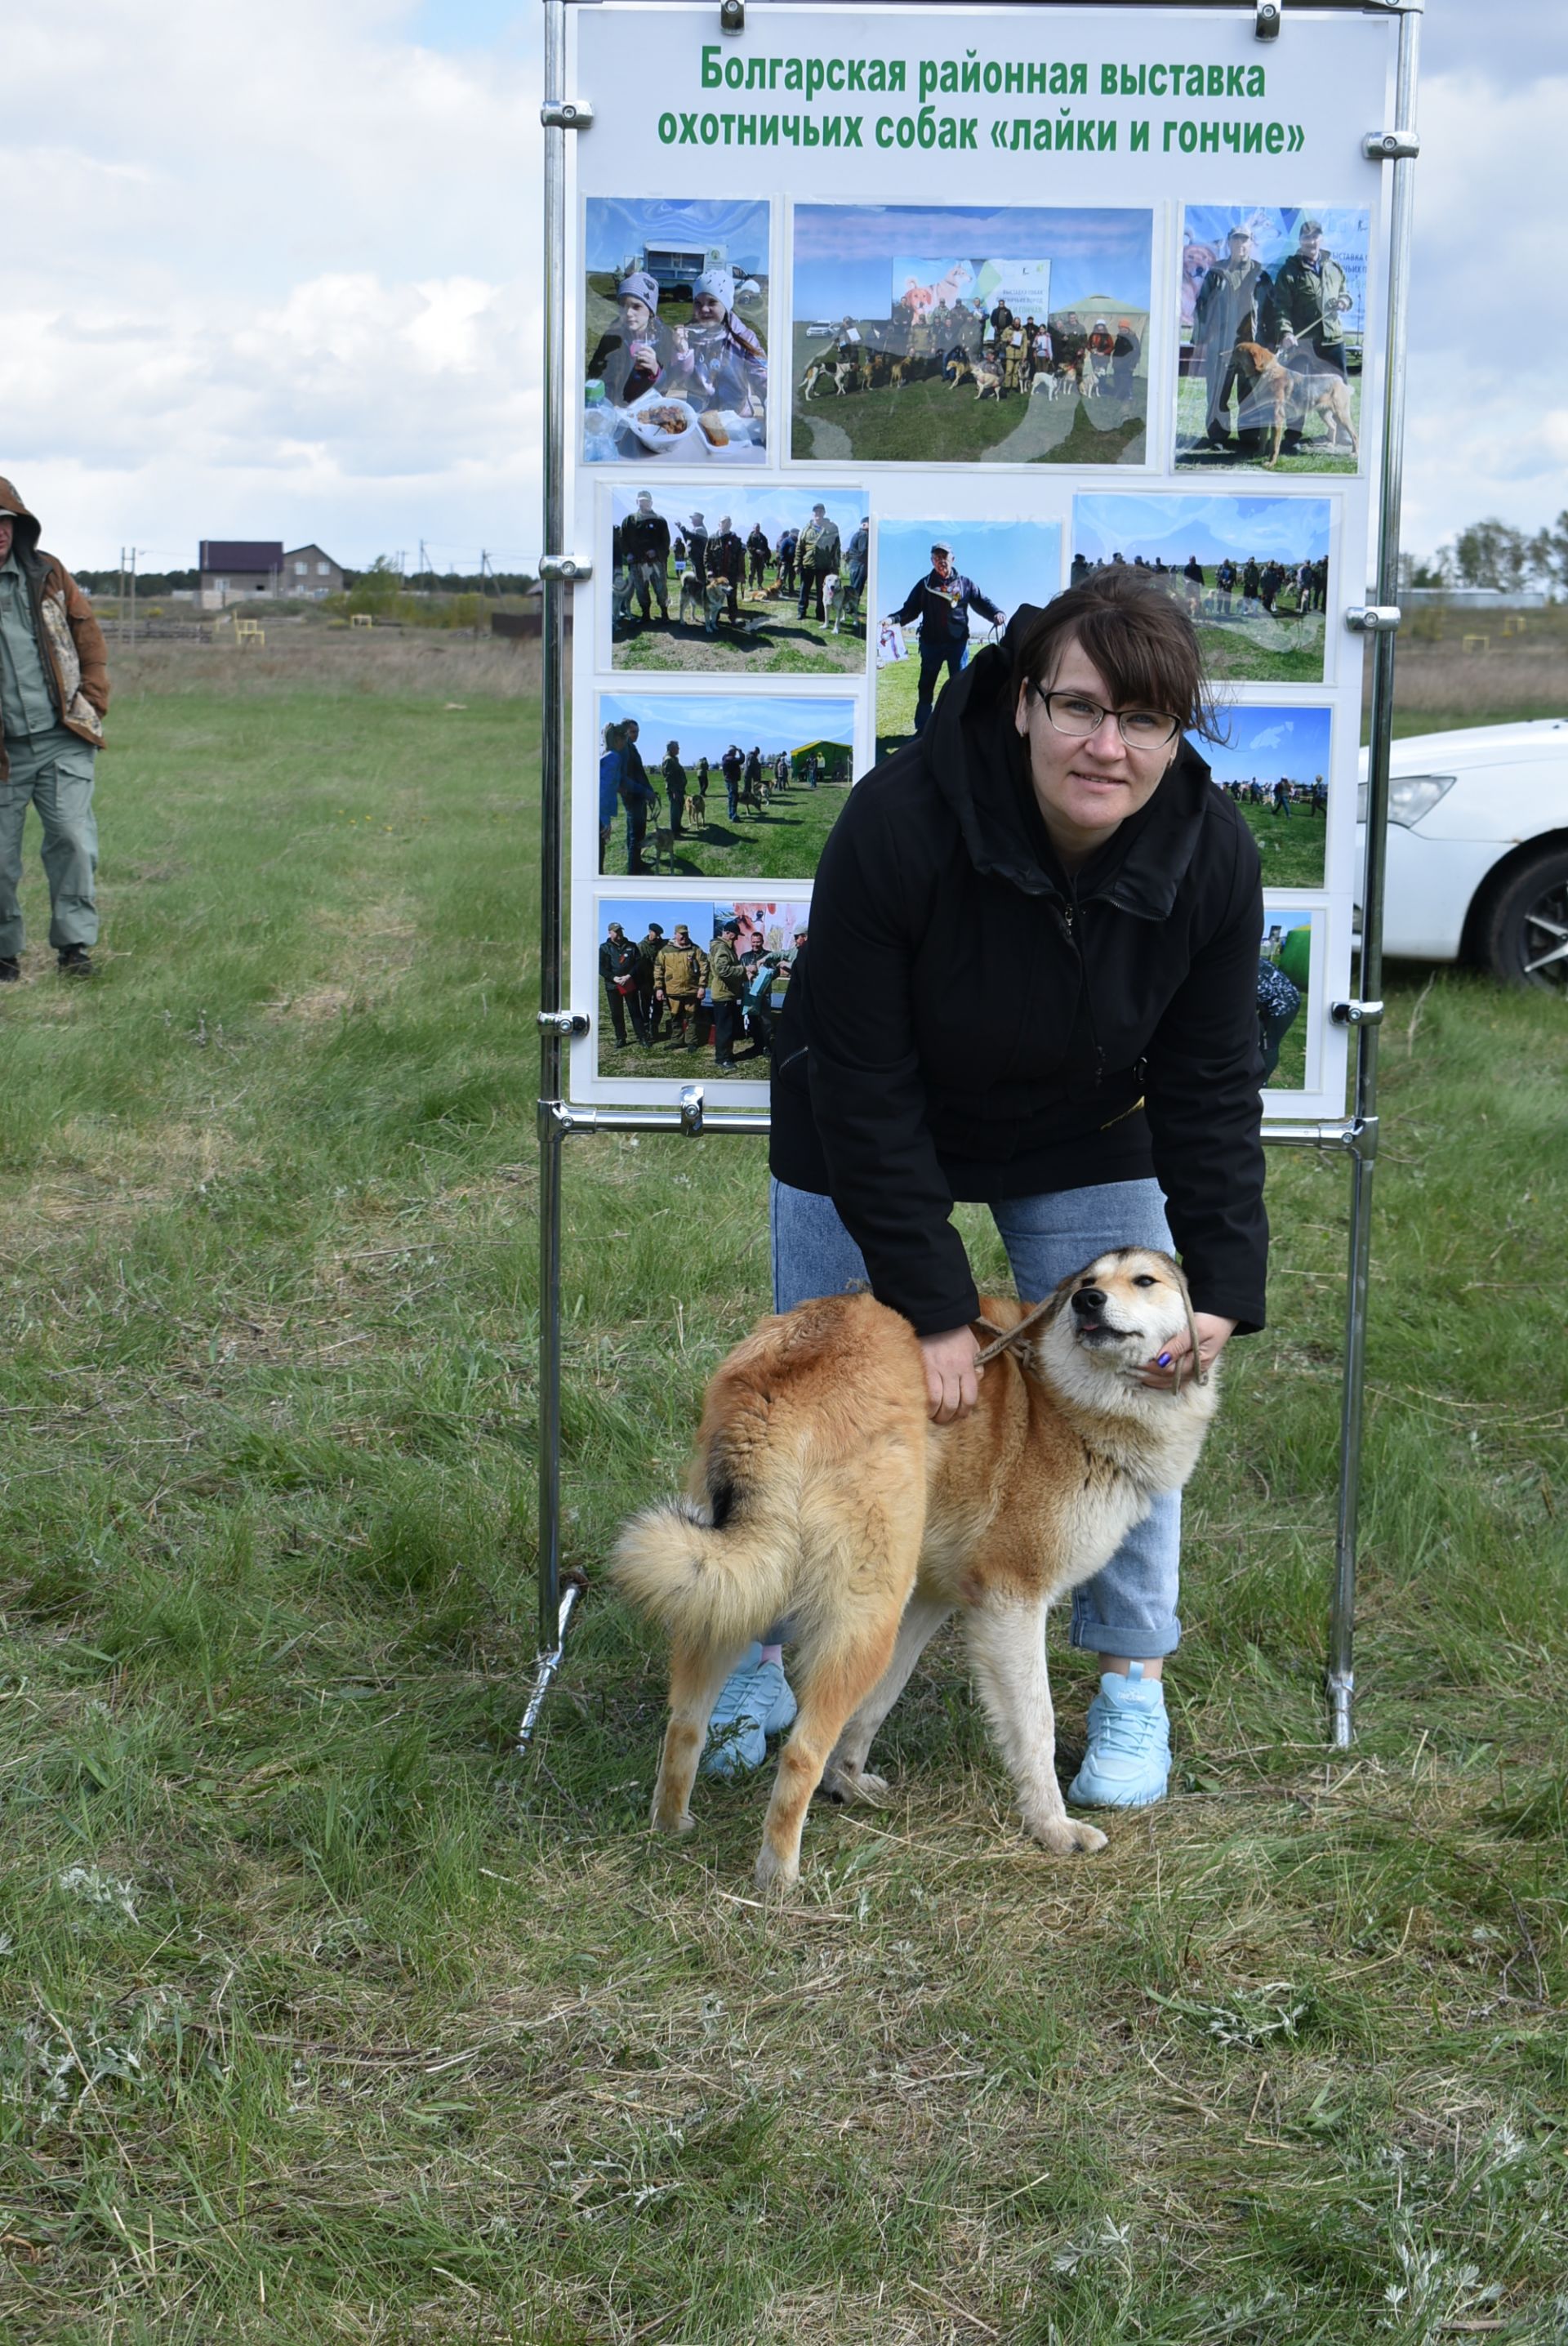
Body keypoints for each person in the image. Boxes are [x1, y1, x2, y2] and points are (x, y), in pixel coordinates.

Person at [708, 567, 1267, 1801]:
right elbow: (860, 1074)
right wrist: (933, 1300)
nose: (1105, 746)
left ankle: (1131, 1678)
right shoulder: (899, 819)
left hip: (1081, 1126)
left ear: (1177, 735)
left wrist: (1221, 1280)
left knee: (1141, 1400)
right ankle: (763, 1645)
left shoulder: (1214, 858)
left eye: (1144, 722)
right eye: (1078, 707)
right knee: (830, 1396)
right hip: (862, 1113)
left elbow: (1212, 1086)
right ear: (1022, 702)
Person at [0, 480, 108, 980]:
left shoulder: (49, 573)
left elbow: (88, 634)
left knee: (71, 838)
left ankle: (74, 949)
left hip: (60, 737)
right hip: (3, 753)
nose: (0, 532)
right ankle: (3, 952)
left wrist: (94, 698)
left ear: (19, 524)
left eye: (6, 521)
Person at [891, 542, 1006, 738]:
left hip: (958, 645)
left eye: (944, 557)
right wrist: (892, 619)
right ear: (931, 561)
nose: (941, 561)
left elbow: (982, 602)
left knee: (960, 688)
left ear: (953, 558)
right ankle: (923, 729)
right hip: (931, 645)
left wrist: (996, 612)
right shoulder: (925, 584)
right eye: (936, 557)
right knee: (925, 686)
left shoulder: (965, 584)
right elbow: (909, 610)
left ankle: (959, 728)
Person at [1267, 218, 1354, 455]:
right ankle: (1293, 436)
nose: (1311, 242)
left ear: (1321, 239)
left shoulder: (1334, 267)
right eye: (1306, 238)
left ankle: (1343, 434)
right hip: (1303, 344)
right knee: (1298, 391)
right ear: (1300, 241)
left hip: (1333, 340)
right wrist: (1286, 332)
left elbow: (1345, 291)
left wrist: (1345, 300)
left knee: (1339, 388)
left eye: (1315, 237)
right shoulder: (1289, 271)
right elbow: (1281, 307)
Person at [1192, 223, 1272, 453]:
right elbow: (1202, 306)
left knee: (1249, 395)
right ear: (1229, 243)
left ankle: (1249, 436)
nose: (1240, 244)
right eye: (1236, 240)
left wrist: (1271, 341)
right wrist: (1200, 338)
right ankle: (1217, 436)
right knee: (1218, 393)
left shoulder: (1261, 275)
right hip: (1222, 344)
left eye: (1244, 240)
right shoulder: (1216, 272)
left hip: (1251, 348)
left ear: (1251, 244)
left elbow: (1271, 309)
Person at [670, 267, 768, 426]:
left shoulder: (744, 337)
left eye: (712, 302)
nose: (704, 309)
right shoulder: (690, 336)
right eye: (698, 303)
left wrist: (771, 405)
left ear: (726, 304)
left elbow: (762, 376)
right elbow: (680, 378)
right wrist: (682, 351)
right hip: (698, 419)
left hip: (736, 419)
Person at [586, 270, 673, 408]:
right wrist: (608, 400)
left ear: (651, 311)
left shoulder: (663, 337)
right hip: (617, 408)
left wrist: (656, 370)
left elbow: (669, 382)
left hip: (649, 410)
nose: (628, 313)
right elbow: (596, 373)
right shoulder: (613, 336)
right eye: (623, 305)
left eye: (636, 306)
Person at [653, 922, 707, 1048]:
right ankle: (676, 1041)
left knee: (692, 1017)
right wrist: (659, 988)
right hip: (673, 990)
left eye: (686, 934)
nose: (684, 937)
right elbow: (658, 969)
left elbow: (705, 967)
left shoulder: (695, 949)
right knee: (675, 1016)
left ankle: (691, 1041)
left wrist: (702, 987)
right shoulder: (665, 951)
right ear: (675, 935)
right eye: (681, 934)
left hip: (691, 990)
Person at [707, 918, 751, 1069]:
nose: (737, 938)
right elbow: (723, 970)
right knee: (724, 1028)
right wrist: (744, 970)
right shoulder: (721, 948)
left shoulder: (727, 947)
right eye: (735, 934)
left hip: (728, 993)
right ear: (728, 933)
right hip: (723, 994)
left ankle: (727, 1055)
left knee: (728, 1027)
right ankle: (722, 1058)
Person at [621, 491, 670, 623]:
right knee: (641, 590)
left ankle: (665, 613)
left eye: (647, 501)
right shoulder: (629, 520)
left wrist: (656, 551)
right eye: (641, 501)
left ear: (651, 503)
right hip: (637, 562)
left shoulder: (660, 520)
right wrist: (628, 553)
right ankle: (645, 614)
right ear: (637, 502)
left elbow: (666, 542)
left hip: (655, 562)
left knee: (661, 589)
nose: (644, 503)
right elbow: (623, 539)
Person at [599, 921, 648, 1049]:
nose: (619, 933)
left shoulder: (631, 946)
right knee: (617, 1013)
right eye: (616, 931)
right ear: (610, 933)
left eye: (620, 931)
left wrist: (629, 976)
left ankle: (642, 1037)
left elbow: (638, 964)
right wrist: (613, 978)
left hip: (629, 983)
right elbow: (601, 967)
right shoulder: (604, 948)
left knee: (635, 1011)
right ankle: (621, 1038)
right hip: (613, 985)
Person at [618, 718, 657, 873]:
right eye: (633, 732)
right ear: (626, 732)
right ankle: (633, 871)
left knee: (636, 833)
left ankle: (637, 863)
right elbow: (625, 778)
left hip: (639, 796)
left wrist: (650, 790)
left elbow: (640, 773)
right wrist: (644, 791)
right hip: (632, 797)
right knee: (636, 835)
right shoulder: (624, 749)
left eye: (638, 732)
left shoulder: (631, 748)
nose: (636, 735)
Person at [795, 504, 840, 623]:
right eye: (816, 511)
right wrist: (796, 564)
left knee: (822, 591)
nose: (818, 514)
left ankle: (820, 614)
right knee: (804, 590)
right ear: (813, 514)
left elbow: (836, 549)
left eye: (821, 511)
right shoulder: (806, 529)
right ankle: (801, 612)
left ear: (824, 513)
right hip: (808, 564)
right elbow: (800, 547)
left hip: (824, 566)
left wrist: (836, 567)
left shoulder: (832, 528)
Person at [706, 515, 744, 629]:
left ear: (731, 525)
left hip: (731, 574)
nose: (726, 524)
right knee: (715, 597)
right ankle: (715, 619)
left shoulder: (736, 539)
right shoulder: (712, 538)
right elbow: (707, 556)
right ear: (719, 524)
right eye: (723, 522)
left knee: (732, 598)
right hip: (716, 575)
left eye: (728, 523)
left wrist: (741, 573)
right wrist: (709, 570)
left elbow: (740, 558)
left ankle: (733, 619)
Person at [597, 720, 624, 875]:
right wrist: (605, 821)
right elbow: (604, 790)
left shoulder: (605, 755)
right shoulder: (614, 757)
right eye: (624, 738)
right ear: (618, 740)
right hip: (599, 818)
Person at [635, 921, 666, 1042]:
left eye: (659, 934)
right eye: (656, 934)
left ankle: (655, 1026)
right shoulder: (641, 946)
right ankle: (646, 1027)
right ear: (650, 932)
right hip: (646, 981)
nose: (658, 937)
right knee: (645, 1005)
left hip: (659, 980)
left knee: (659, 1005)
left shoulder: (663, 944)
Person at [661, 739, 688, 838]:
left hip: (679, 789)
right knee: (675, 810)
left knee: (680, 808)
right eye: (677, 747)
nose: (679, 749)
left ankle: (678, 827)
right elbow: (669, 777)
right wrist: (674, 791)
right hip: (674, 790)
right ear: (672, 748)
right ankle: (674, 832)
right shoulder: (669, 759)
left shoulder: (674, 758)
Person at [720, 742, 744, 823]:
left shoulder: (725, 757)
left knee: (731, 797)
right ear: (732, 752)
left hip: (728, 780)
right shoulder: (730, 759)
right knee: (734, 798)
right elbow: (741, 760)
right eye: (735, 752)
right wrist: (740, 752)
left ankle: (730, 814)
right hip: (732, 780)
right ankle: (734, 816)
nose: (735, 753)